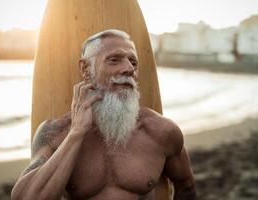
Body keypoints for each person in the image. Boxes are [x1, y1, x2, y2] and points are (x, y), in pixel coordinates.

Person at [11, 29, 196, 200]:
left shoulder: (161, 131)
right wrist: (77, 132)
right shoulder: (57, 133)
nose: (128, 69)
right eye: (114, 60)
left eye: (133, 62)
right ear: (85, 69)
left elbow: (186, 188)